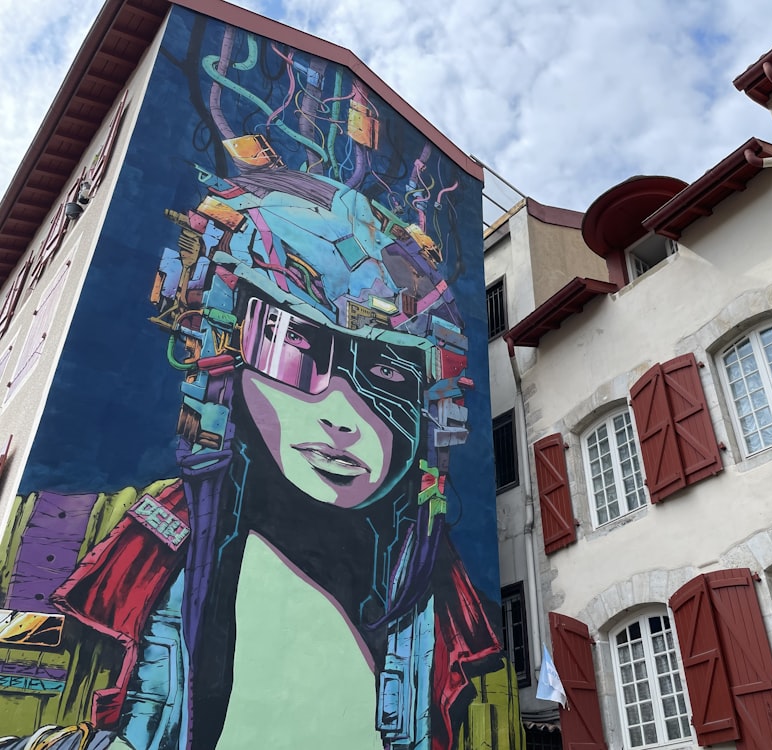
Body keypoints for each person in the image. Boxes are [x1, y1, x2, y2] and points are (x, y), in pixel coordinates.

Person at [0, 24, 521, 750]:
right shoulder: (58, 545)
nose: (342, 416)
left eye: (390, 372)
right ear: (226, 353)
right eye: (293, 351)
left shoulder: (459, 620)